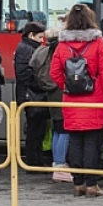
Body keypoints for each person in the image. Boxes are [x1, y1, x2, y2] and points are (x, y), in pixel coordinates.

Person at [50, 3, 103, 197]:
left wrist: (67, 86)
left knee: (75, 141)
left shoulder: (62, 44)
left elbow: (54, 72)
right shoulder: (98, 43)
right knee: (92, 143)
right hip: (94, 99)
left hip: (71, 100)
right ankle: (92, 184)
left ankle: (78, 183)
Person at [29, 26, 70, 182]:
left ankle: (56, 162)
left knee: (57, 129)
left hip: (50, 93)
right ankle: (60, 165)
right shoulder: (57, 52)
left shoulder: (41, 51)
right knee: (64, 130)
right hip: (60, 92)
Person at [12, 21, 47, 167]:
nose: (41, 41)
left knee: (37, 129)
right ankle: (33, 161)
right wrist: (40, 85)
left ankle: (36, 160)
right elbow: (24, 74)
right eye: (39, 37)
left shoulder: (27, 47)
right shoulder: (26, 49)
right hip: (31, 94)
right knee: (35, 130)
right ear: (31, 35)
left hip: (31, 93)